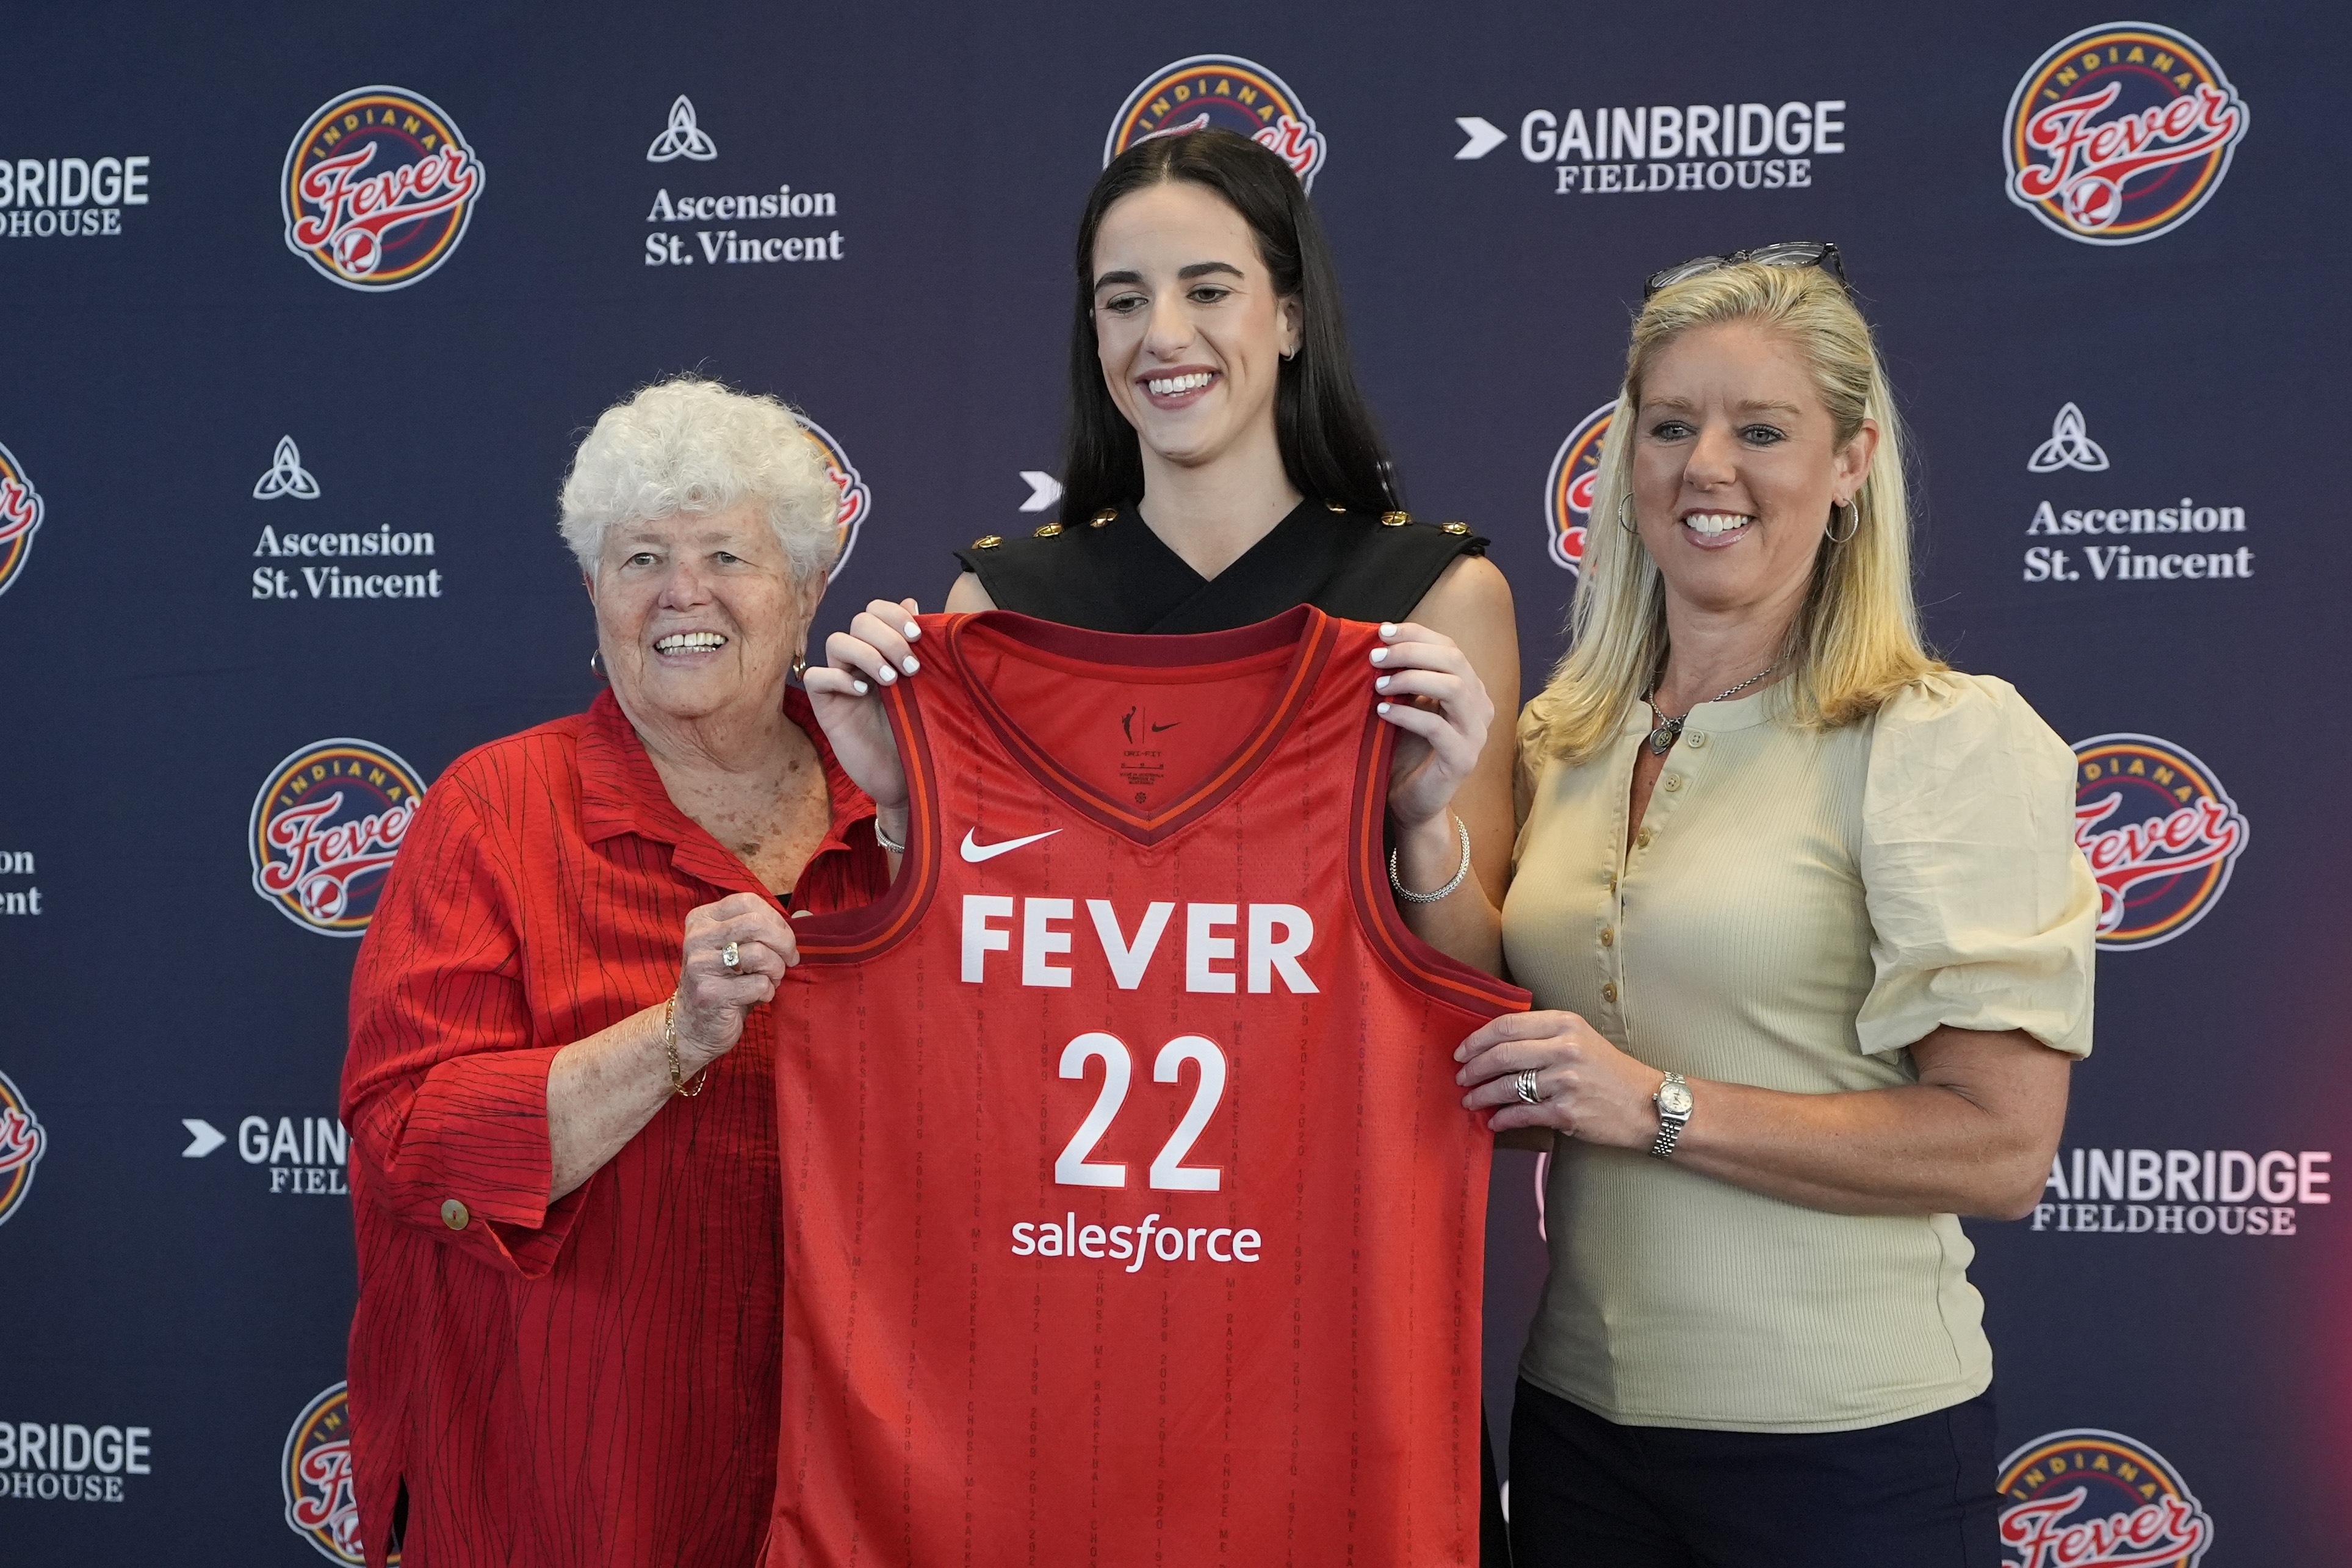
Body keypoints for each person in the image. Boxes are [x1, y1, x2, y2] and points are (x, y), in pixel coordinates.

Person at [807, 128, 1519, 1562]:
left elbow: (1475, 985)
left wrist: (1425, 822)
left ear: (1291, 313)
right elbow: (941, 1001)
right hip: (1044, 1331)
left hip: (1322, 1330)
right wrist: (896, 803)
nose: (1163, 335)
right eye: (1122, 298)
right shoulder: (995, 606)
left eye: (1208, 287)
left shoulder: (1430, 596)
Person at [1442, 246, 2098, 1566]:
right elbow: (1506, 1074)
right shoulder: (1564, 737)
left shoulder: (1938, 737)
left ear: (1851, 460)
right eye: (1670, 426)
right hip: (1577, 1432)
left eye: (1762, 430)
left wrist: (1655, 1105)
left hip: (1846, 1459)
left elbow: (1999, 1149)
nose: (1707, 469)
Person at [340, 376, 890, 1568]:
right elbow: (405, 1144)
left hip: (848, 1494)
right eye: (638, 556)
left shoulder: (904, 821)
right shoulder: (494, 811)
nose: (680, 592)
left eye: (725, 555)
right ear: (592, 591)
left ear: (806, 593)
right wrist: (674, 1039)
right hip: (565, 1491)